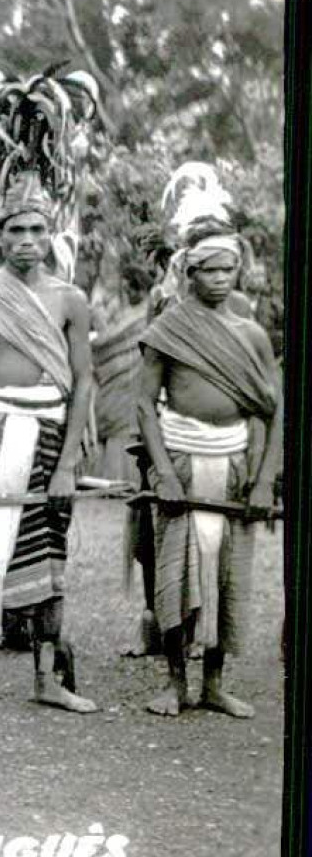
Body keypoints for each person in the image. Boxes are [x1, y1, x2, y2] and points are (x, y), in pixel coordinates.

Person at [0, 174, 98, 713]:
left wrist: (68, 462)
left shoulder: (71, 300)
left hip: (49, 437)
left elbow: (81, 382)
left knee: (48, 554)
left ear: (51, 236)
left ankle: (48, 677)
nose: (27, 240)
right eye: (17, 230)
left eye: (37, 230)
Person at [136, 171, 280, 718]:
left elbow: (268, 409)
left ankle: (215, 683)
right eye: (209, 269)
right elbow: (145, 404)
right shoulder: (168, 329)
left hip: (237, 460)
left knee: (227, 573)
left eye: (228, 268)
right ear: (189, 273)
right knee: (175, 573)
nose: (220, 278)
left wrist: (265, 477)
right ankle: (174, 682)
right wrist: (164, 474)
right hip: (180, 455)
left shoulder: (251, 334)